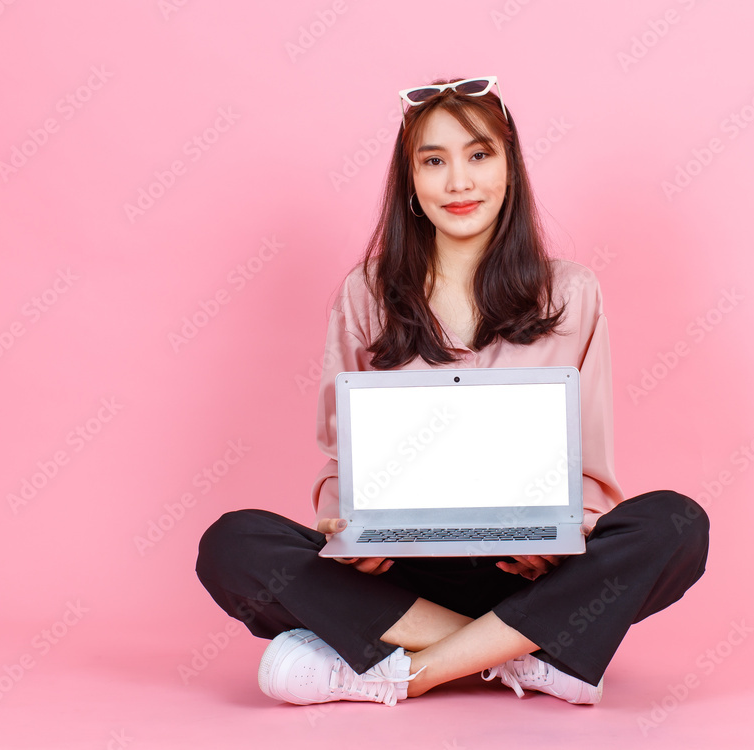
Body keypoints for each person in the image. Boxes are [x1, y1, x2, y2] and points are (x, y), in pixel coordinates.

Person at [195, 76, 709, 708]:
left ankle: (409, 673)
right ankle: (526, 657)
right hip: (402, 581)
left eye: (479, 155)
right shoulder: (366, 293)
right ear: (410, 181)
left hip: (529, 576)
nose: (458, 183)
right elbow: (340, 458)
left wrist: (563, 537)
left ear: (510, 166)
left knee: (676, 523)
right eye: (434, 161)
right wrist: (347, 531)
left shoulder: (572, 293)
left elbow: (590, 463)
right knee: (234, 543)